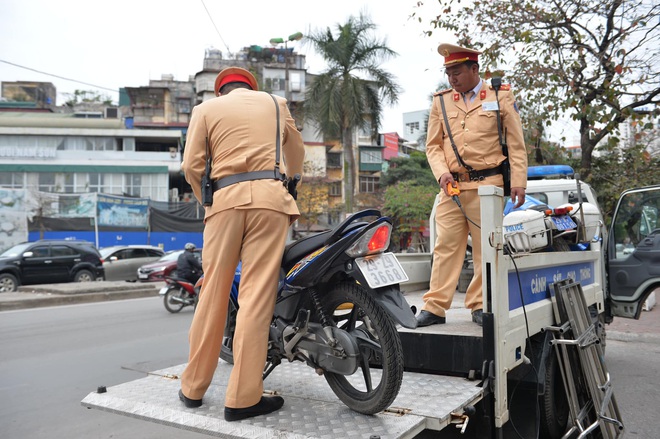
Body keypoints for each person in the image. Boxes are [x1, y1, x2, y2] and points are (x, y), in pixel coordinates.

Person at [178, 67, 305, 421]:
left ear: (222, 92)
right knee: (255, 297)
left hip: (223, 203)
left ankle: (192, 387)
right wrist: (289, 184)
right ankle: (242, 397)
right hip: (268, 199)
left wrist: (209, 200)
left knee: (213, 292)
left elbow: (192, 165)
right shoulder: (276, 103)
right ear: (252, 88)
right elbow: (295, 155)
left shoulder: (205, 110)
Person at [417, 43, 528, 327]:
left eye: (457, 71)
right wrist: (442, 173)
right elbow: (432, 147)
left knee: (485, 249)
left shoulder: (499, 95)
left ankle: (480, 305)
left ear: (474, 69)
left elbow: (515, 142)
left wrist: (518, 182)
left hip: (488, 184)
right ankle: (435, 307)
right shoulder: (441, 101)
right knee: (446, 247)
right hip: (452, 187)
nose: (452, 78)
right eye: (448, 73)